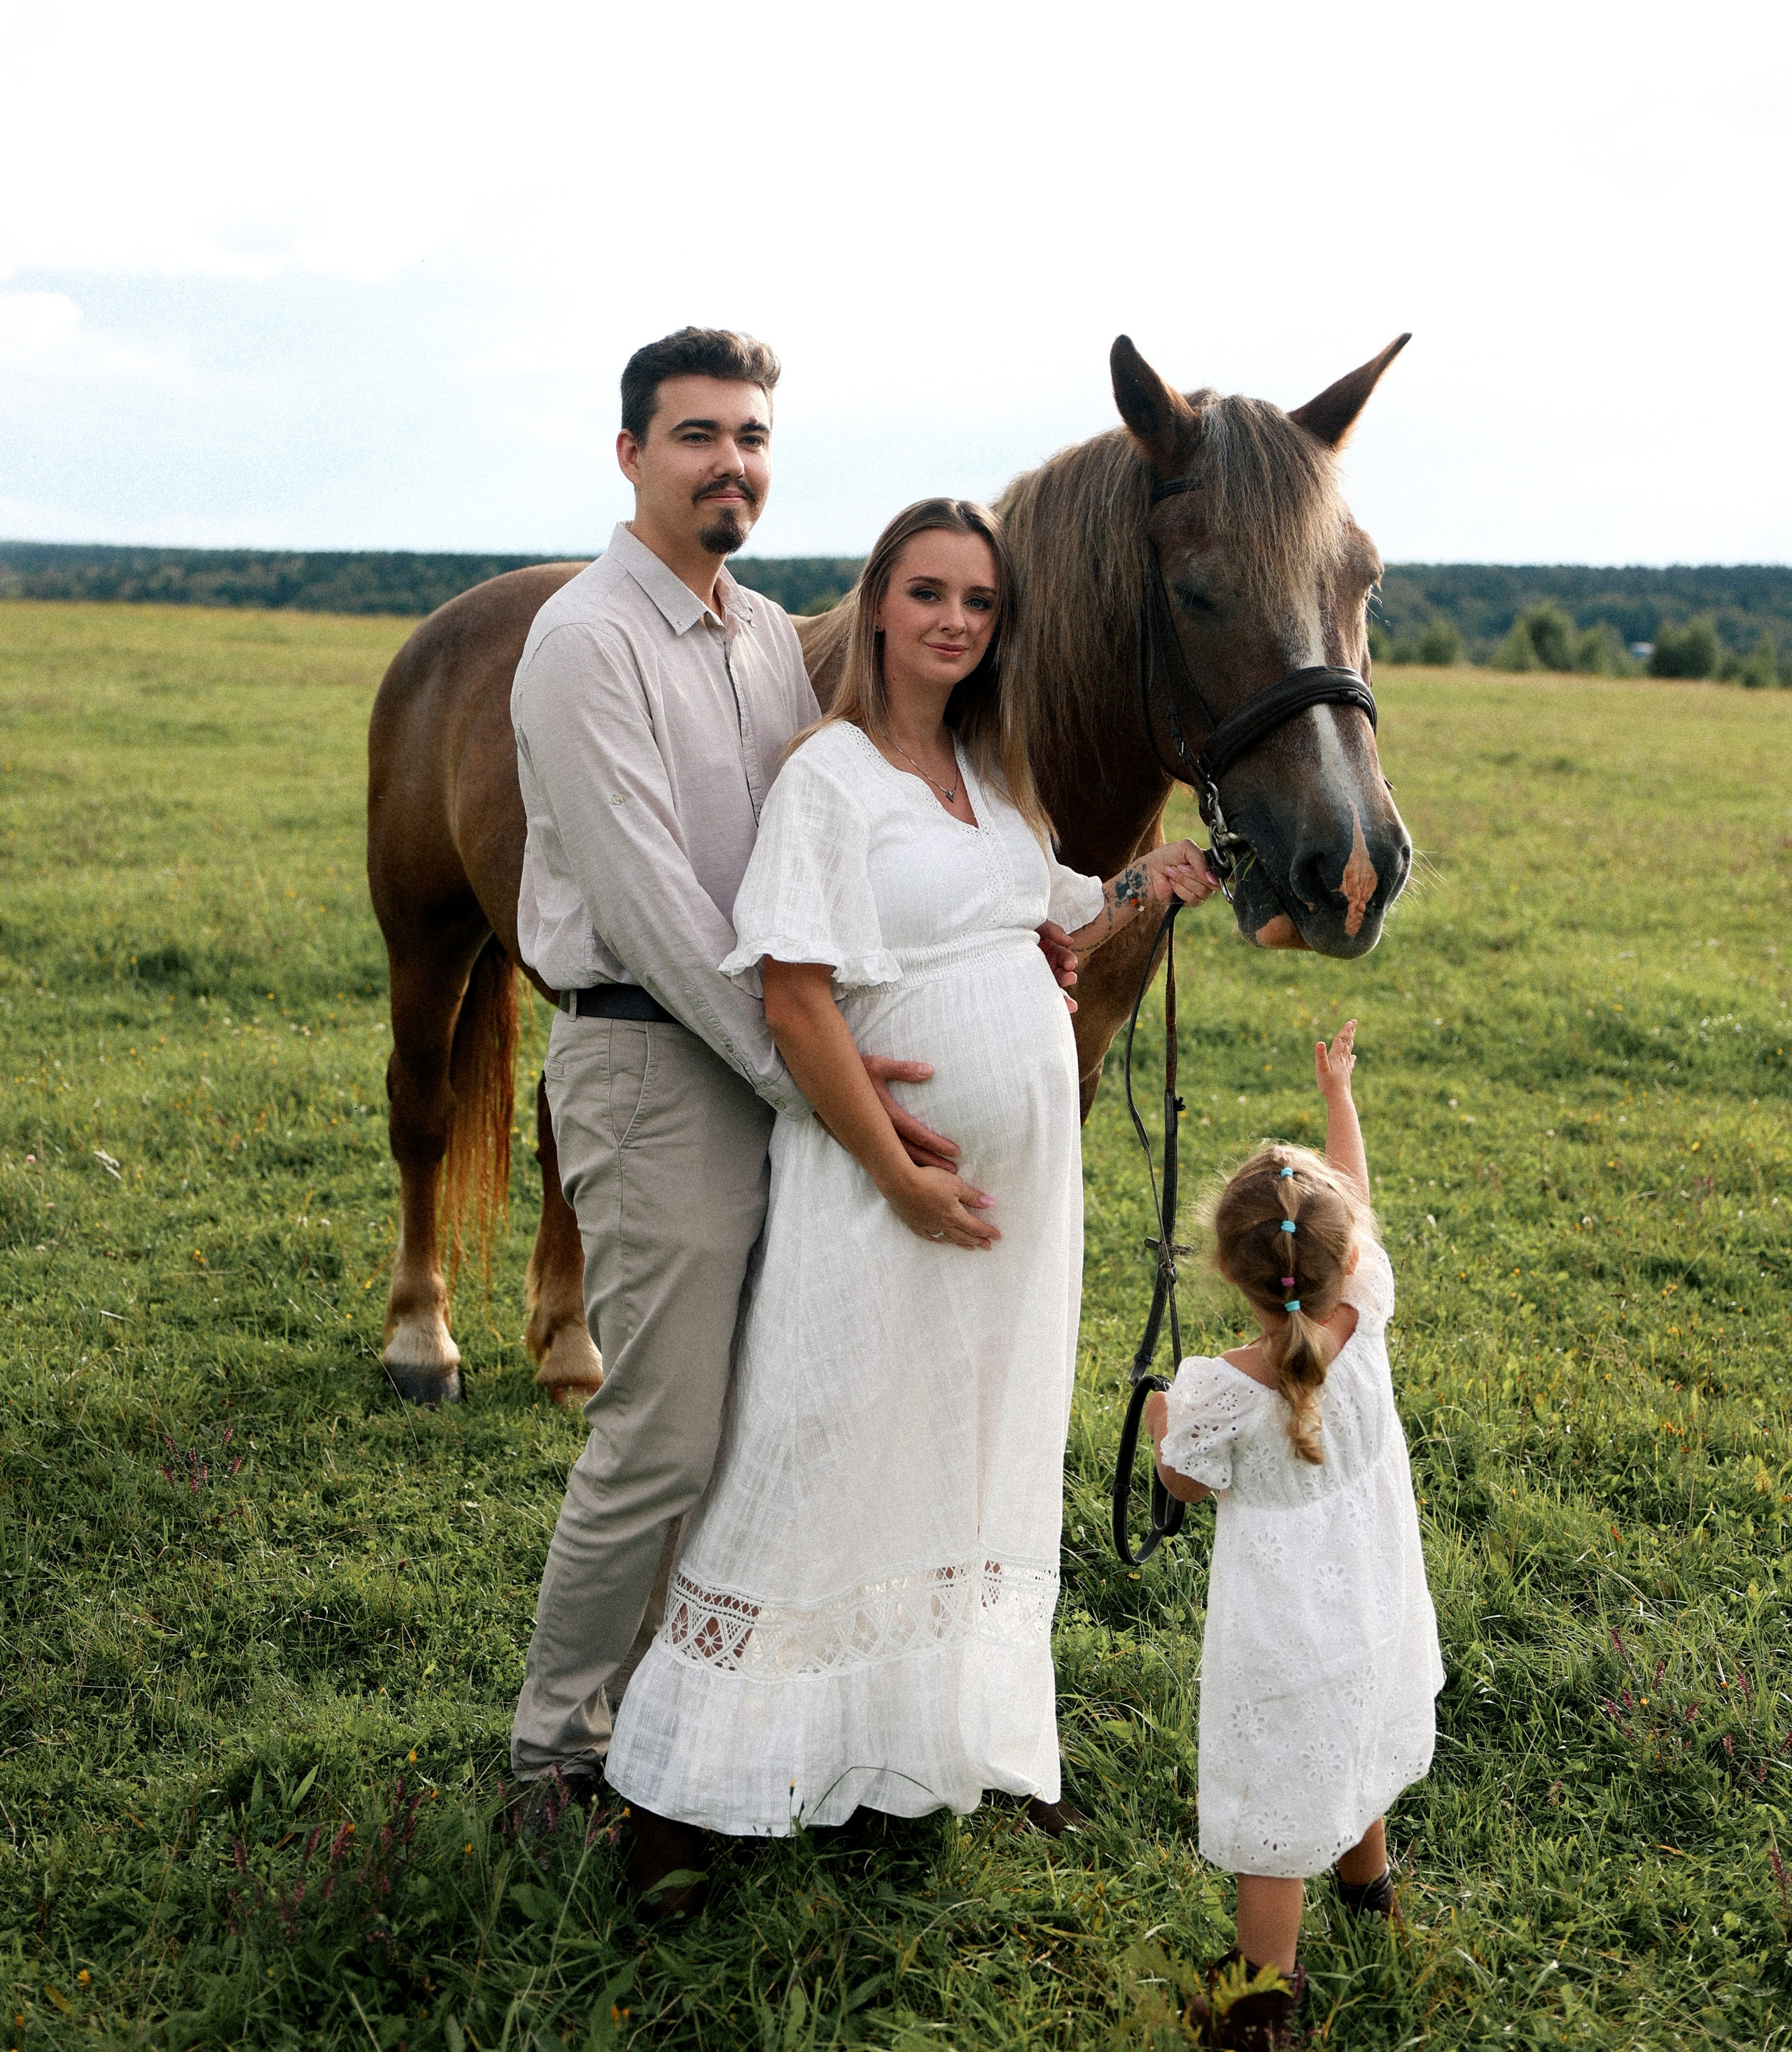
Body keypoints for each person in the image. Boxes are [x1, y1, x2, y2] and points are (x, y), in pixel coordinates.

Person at [604, 496, 1217, 1848]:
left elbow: (1034, 909)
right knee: (823, 1435)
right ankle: (696, 1792)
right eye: (930, 593)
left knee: (969, 1439)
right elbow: (797, 1000)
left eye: (981, 604)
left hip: (1015, 1206)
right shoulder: (829, 779)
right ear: (878, 603)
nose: (954, 621)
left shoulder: (991, 780)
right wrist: (895, 1174)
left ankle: (912, 1748)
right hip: (884, 1190)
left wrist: (1142, 889)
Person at [506, 326, 969, 1911]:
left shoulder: (768, 635)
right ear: (628, 453)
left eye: (752, 438)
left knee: (764, 1417)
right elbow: (646, 910)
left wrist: (1013, 917)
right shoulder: (584, 644)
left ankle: (693, 1725)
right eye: (696, 434)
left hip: (769, 1067)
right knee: (662, 1432)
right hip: (652, 1065)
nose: (730, 463)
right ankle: (552, 1755)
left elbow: (829, 838)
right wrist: (826, 1094)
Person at [1144, 1022, 1444, 2050]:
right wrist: (1338, 1098)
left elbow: (1180, 1480)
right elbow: (1351, 1208)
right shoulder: (1367, 1306)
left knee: (1277, 1806)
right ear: (1339, 1258)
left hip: (1279, 1639)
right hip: (1370, 1596)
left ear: (1232, 1272)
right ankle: (1373, 1891)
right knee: (1353, 1729)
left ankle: (1258, 2007)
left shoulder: (1217, 1390)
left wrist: (1155, 1423)